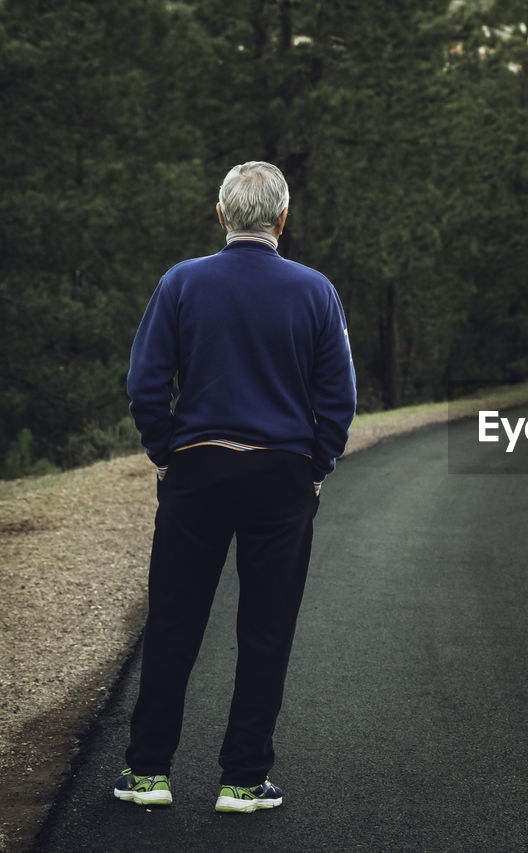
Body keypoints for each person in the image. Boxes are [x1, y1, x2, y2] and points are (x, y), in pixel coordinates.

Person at [115, 161, 357, 814]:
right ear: (283, 220)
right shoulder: (315, 291)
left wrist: (166, 451)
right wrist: (318, 465)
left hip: (198, 468)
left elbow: (145, 382)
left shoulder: (182, 283)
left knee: (174, 620)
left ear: (221, 215)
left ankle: (147, 772)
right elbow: (339, 396)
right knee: (266, 627)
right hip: (281, 476)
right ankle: (244, 779)